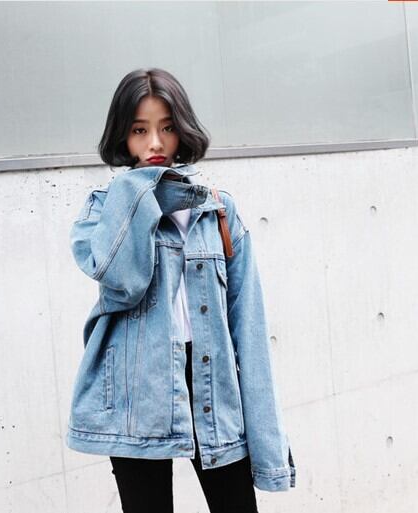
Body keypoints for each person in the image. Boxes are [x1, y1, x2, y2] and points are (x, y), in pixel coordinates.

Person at [67, 68, 295, 513]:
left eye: (167, 127)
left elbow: (248, 326)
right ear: (122, 135)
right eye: (140, 130)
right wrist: (138, 194)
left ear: (183, 129)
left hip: (212, 382)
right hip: (136, 392)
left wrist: (268, 441)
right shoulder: (103, 208)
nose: (155, 143)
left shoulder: (218, 209)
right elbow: (122, 280)